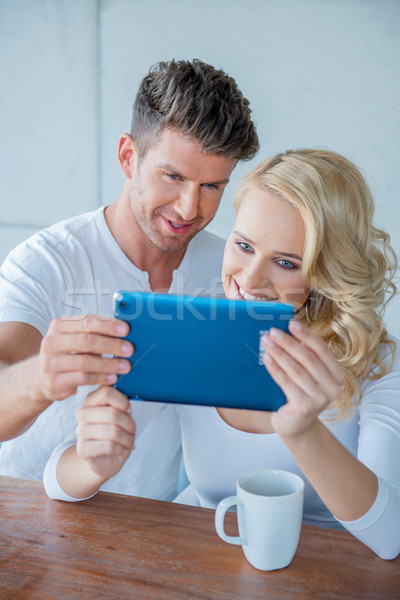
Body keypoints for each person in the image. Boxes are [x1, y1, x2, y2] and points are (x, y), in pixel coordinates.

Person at [45, 149, 400, 560]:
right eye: (244, 246)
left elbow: (391, 537)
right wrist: (94, 465)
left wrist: (303, 432)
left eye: (286, 262)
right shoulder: (191, 334)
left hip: (326, 572)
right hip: (205, 562)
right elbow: (57, 480)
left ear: (326, 272)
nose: (249, 280)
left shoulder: (376, 365)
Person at [0, 58, 259, 500]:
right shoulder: (45, 261)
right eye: (172, 176)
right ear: (128, 157)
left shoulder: (230, 267)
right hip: (24, 513)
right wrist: (42, 377)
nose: (188, 209)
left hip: (149, 525)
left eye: (212, 186)